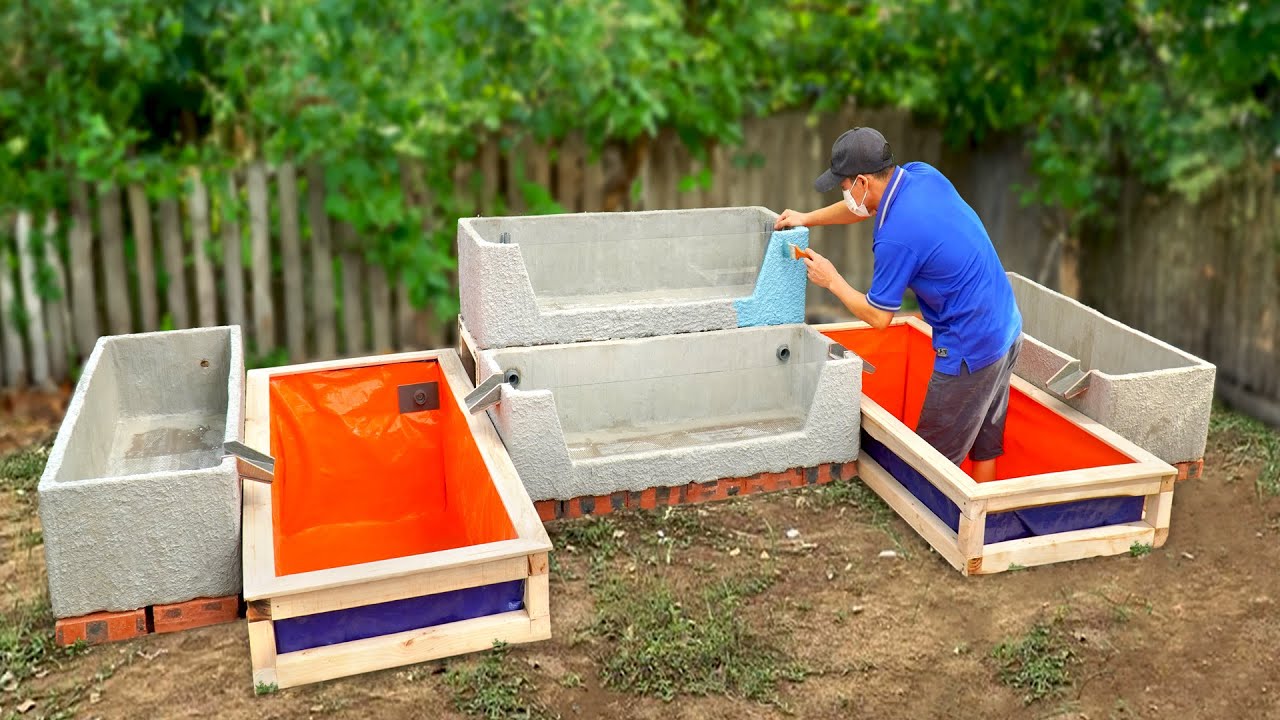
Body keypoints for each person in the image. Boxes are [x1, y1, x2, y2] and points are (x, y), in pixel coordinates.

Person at [777, 127, 1023, 482]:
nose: (845, 194)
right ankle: (984, 531)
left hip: (969, 348)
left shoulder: (896, 237)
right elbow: (863, 210)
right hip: (1006, 327)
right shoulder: (921, 175)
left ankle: (929, 535)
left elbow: (879, 317)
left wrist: (832, 281)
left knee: (926, 469)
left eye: (844, 187)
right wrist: (806, 218)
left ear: (862, 181)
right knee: (985, 446)